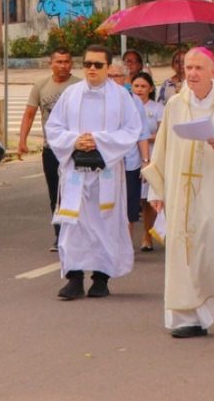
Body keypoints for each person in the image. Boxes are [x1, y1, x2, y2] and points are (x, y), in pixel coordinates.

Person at [142, 48, 214, 338]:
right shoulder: (175, 104)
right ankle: (188, 318)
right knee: (184, 252)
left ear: (213, 71)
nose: (193, 73)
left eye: (199, 68)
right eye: (189, 68)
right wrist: (156, 192)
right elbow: (161, 150)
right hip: (182, 193)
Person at [46, 45, 142, 300]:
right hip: (76, 170)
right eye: (87, 64)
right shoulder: (70, 94)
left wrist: (98, 140)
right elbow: (53, 127)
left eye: (98, 65)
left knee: (105, 223)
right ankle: (74, 278)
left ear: (108, 67)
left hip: (106, 172)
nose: (91, 69)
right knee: (73, 224)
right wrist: (75, 140)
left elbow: (132, 130)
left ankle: (101, 278)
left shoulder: (121, 96)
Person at [18, 47, 79, 251]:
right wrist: (22, 140)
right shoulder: (41, 85)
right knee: (55, 193)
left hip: (75, 149)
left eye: (67, 61)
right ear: (50, 63)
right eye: (59, 62)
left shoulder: (79, 85)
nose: (63, 66)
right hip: (51, 149)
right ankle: (59, 234)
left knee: (76, 191)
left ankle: (77, 233)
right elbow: (29, 114)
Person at [107, 62, 152, 249]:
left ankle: (125, 245)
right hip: (107, 162)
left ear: (125, 79)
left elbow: (142, 134)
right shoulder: (99, 99)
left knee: (129, 206)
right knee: (108, 204)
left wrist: (145, 161)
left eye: (116, 76)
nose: (112, 80)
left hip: (130, 162)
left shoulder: (133, 101)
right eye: (109, 76)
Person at [131, 72, 164, 251]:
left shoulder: (157, 108)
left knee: (147, 199)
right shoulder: (127, 105)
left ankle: (147, 234)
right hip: (130, 155)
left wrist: (145, 138)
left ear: (150, 89)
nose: (139, 90)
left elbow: (162, 132)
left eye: (143, 86)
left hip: (150, 154)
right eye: (136, 86)